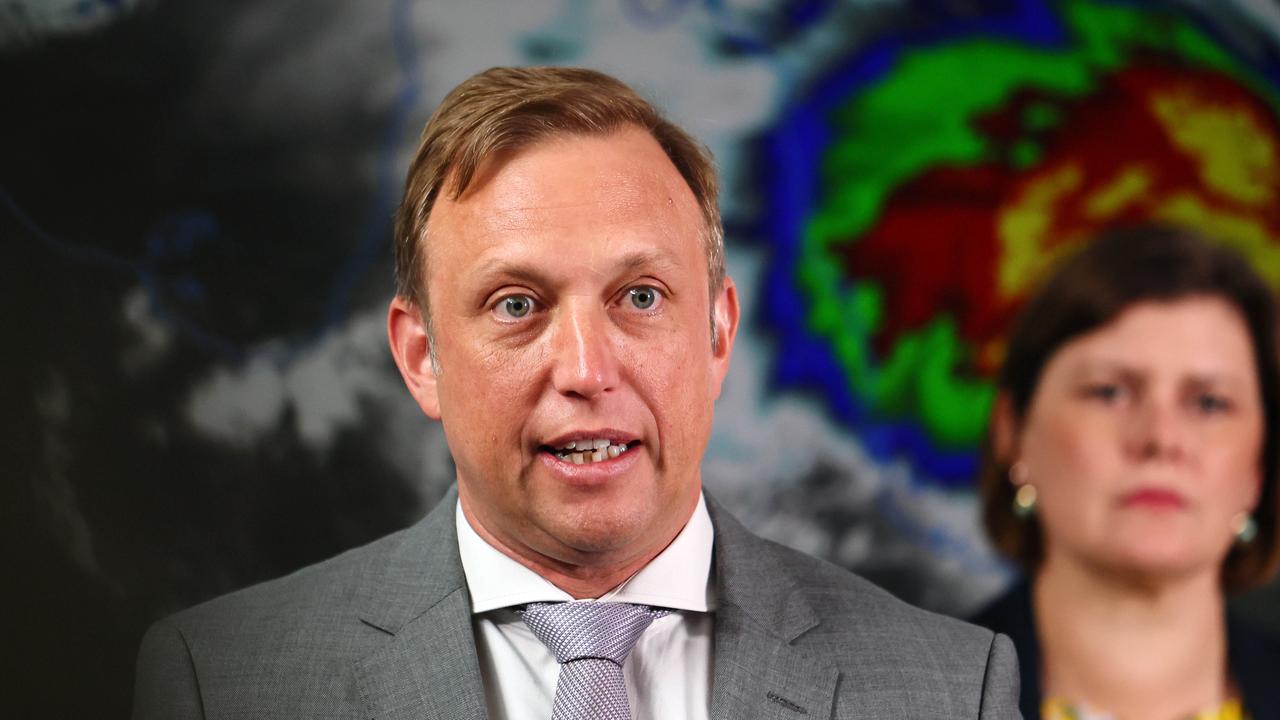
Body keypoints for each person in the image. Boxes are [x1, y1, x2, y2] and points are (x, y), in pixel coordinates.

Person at [133, 66, 1021, 719]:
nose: (587, 370)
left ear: (717, 333)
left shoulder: (949, 689)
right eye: (517, 305)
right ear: (420, 357)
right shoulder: (221, 681)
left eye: (640, 297)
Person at [971, 225, 1280, 720]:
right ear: (1013, 432)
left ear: (1259, 466)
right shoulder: (885, 699)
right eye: (1110, 392)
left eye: (1209, 403)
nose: (1161, 439)